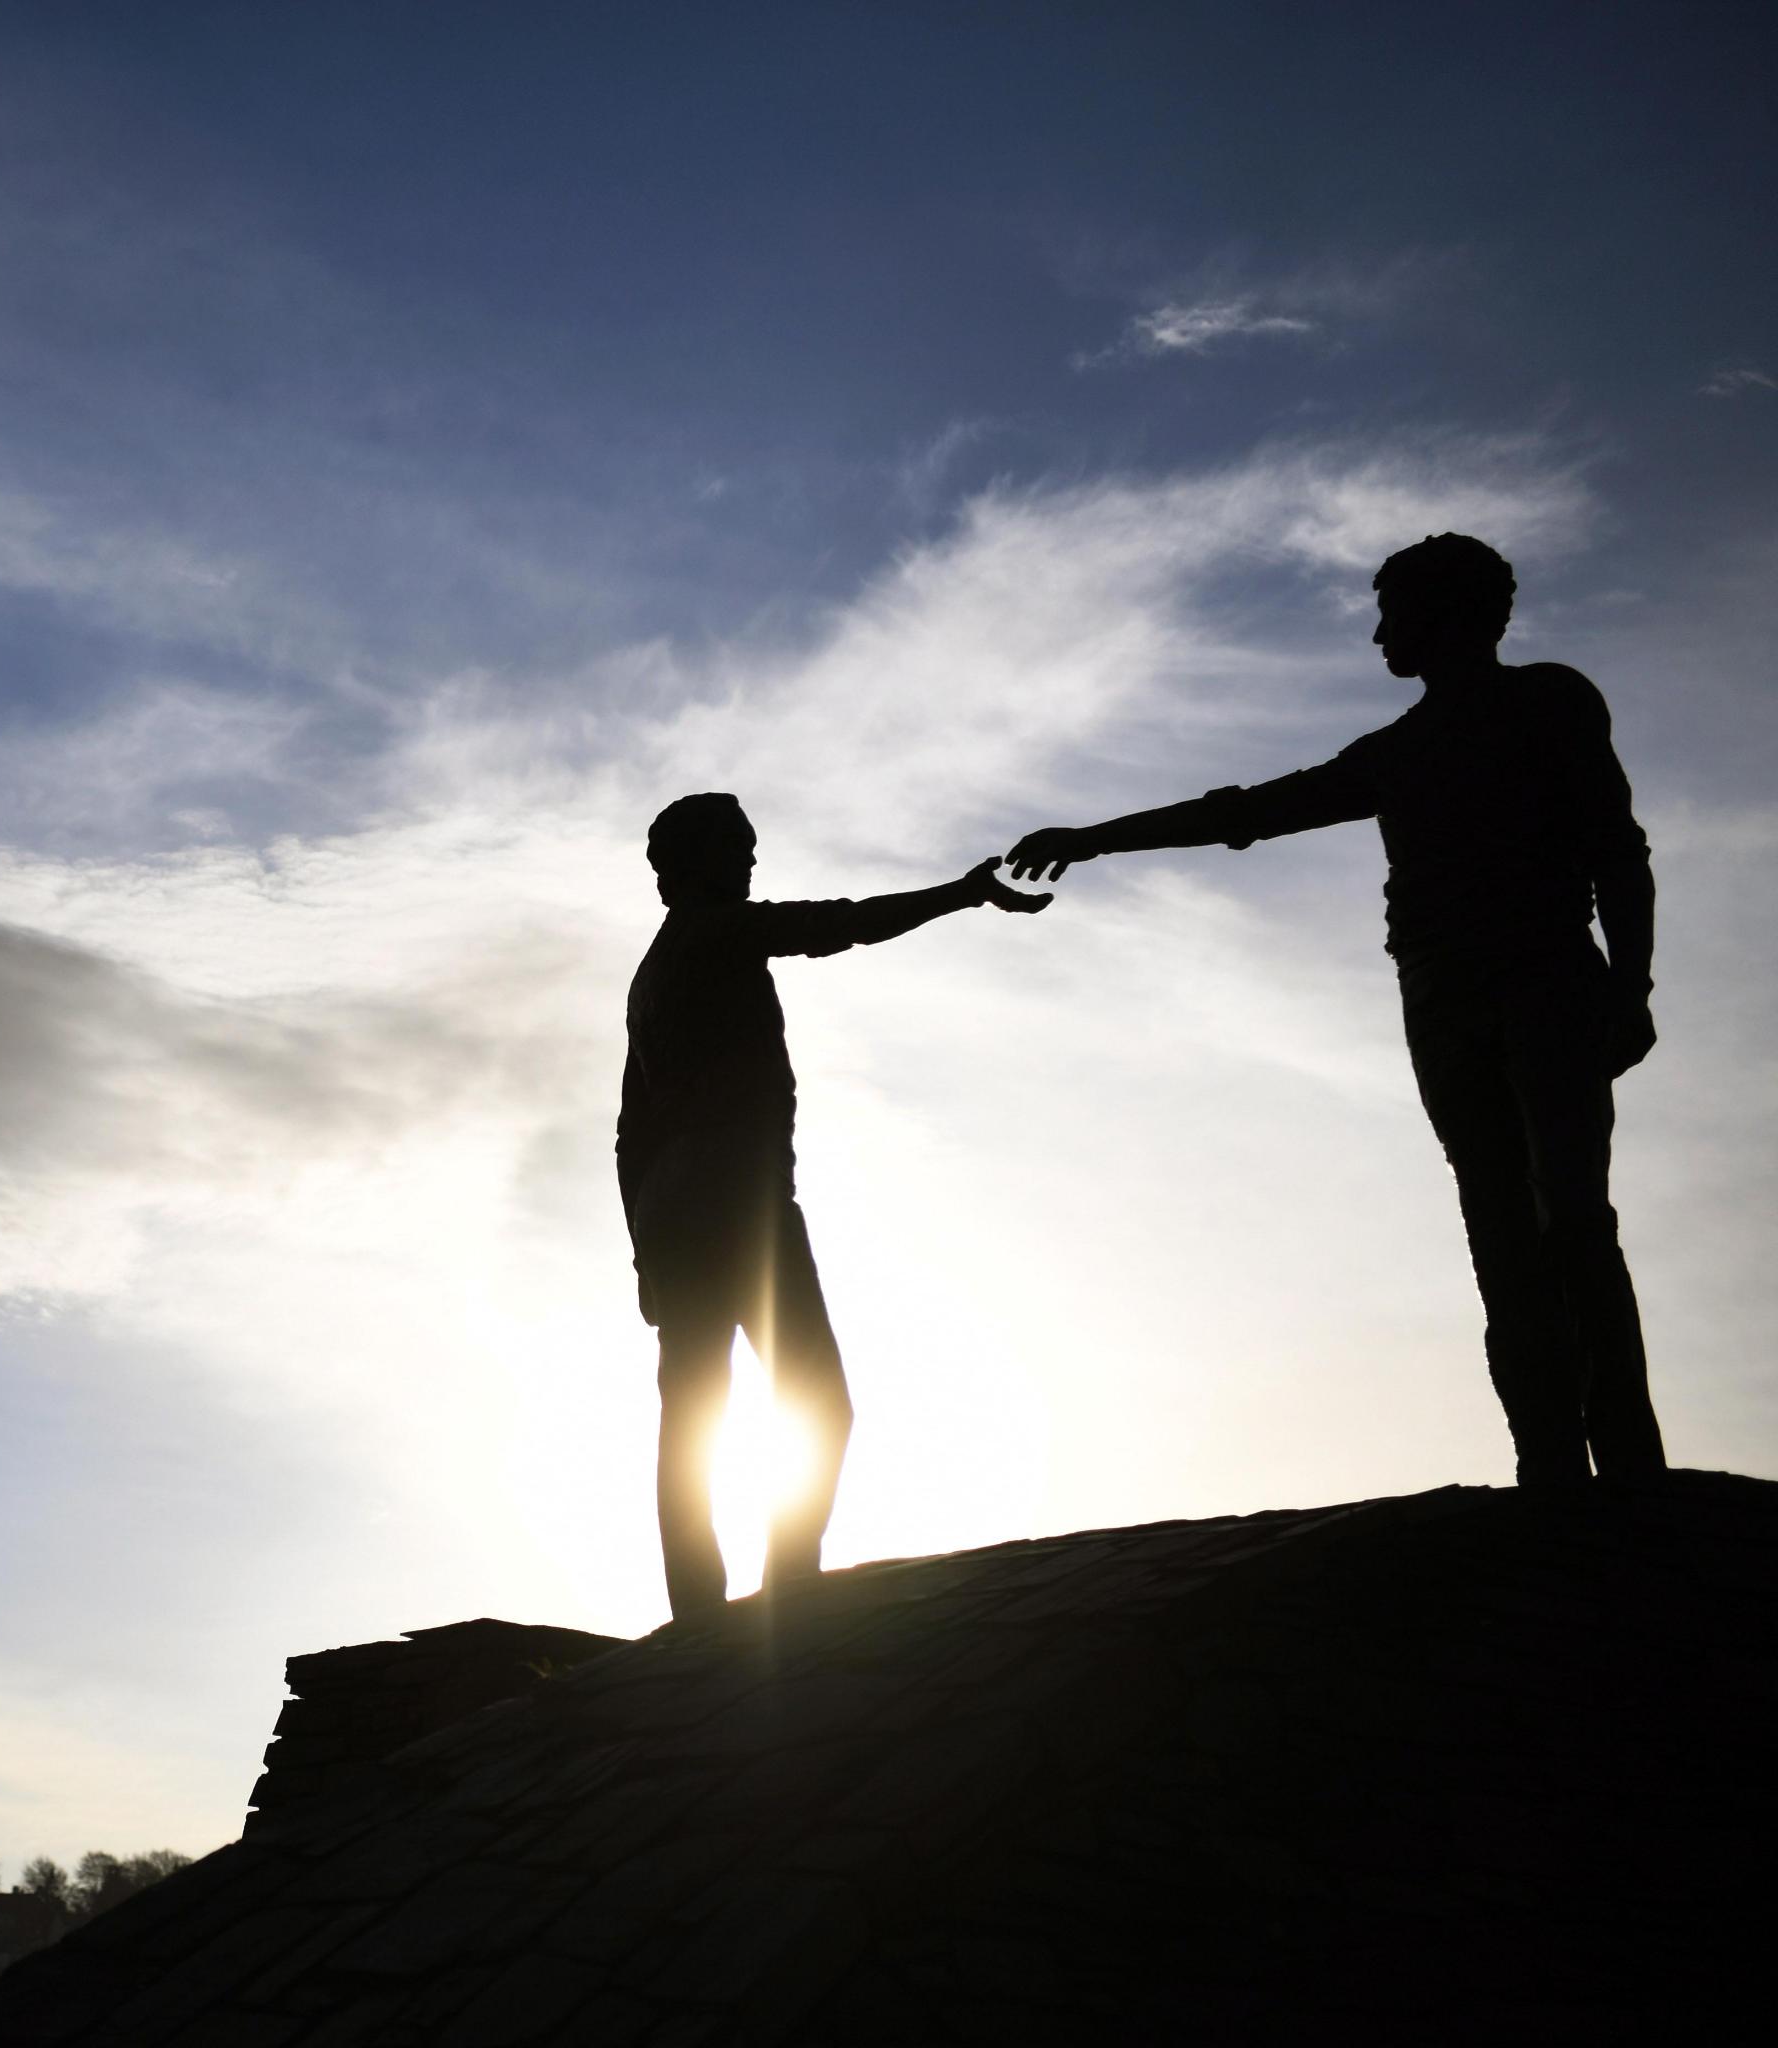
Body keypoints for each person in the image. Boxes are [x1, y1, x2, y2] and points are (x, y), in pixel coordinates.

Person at [1006, 533, 1663, 1491]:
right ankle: (1553, 1465)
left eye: (1393, 611)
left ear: (1448, 615)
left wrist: (1630, 983)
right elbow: (1248, 812)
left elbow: (1616, 846)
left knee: (1569, 1219)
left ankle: (1631, 1468)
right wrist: (1097, 840)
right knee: (1499, 1231)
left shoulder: (1550, 700)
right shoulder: (1396, 753)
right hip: (1444, 1009)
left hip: (1545, 986)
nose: (1377, 634)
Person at [621, 794, 1048, 1622]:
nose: (750, 862)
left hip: (680, 1211)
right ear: (689, 862)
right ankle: (786, 1595)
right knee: (813, 1402)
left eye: (751, 846)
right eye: (736, 848)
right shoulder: (715, 934)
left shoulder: (653, 971)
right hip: (739, 1206)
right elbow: (840, 923)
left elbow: (630, 1135)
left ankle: (704, 1613)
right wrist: (961, 893)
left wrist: (645, 1250)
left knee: (698, 1410)